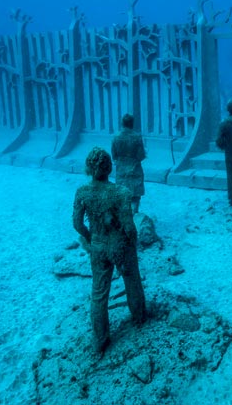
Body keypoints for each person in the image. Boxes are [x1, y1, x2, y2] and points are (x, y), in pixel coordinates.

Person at [72, 147, 147, 354]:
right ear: (109, 167)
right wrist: (132, 244)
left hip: (97, 247)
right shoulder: (120, 193)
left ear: (88, 168)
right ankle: (139, 317)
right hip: (119, 246)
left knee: (98, 293)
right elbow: (129, 227)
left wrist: (91, 239)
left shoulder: (82, 193)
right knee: (132, 281)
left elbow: (77, 224)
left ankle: (100, 339)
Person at [111, 114, 146, 214]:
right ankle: (134, 216)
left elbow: (114, 156)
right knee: (135, 196)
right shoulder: (137, 137)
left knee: (122, 195)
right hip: (135, 169)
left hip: (121, 170)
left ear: (122, 123)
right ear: (132, 124)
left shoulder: (116, 137)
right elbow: (141, 156)